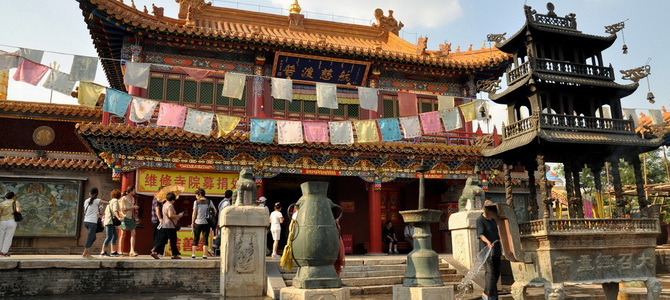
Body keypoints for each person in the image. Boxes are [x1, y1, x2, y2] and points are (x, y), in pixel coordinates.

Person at [477, 200, 502, 300]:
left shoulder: (493, 220)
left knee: (497, 272)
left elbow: (497, 233)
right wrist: (487, 242)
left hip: (496, 249)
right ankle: (489, 295)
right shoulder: (480, 220)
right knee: (490, 273)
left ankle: (487, 293)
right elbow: (480, 234)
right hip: (486, 250)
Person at [151, 192, 184, 259]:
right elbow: (170, 215)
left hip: (165, 225)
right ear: (173, 199)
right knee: (173, 240)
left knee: (163, 240)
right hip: (170, 225)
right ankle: (174, 254)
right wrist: (179, 216)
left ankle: (155, 251)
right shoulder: (170, 205)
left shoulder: (164, 204)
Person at [82, 188, 108, 259]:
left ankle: (84, 253)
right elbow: (106, 202)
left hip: (86, 221)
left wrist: (99, 207)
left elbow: (90, 208)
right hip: (92, 222)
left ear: (90, 193)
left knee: (93, 237)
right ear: (97, 194)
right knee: (90, 238)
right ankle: (88, 254)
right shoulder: (96, 200)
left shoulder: (86, 201)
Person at [191, 188, 216, 259]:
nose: (196, 196)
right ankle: (204, 255)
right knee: (205, 239)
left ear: (200, 194)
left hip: (197, 222)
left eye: (196, 194)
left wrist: (192, 222)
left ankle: (193, 254)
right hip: (206, 223)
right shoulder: (209, 202)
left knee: (196, 238)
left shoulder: (196, 202)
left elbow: (194, 213)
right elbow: (215, 210)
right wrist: (211, 217)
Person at [208, 189, 232, 257]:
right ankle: (213, 248)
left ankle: (222, 251)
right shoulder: (226, 203)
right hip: (223, 222)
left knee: (223, 236)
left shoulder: (222, 201)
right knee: (222, 235)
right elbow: (226, 213)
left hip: (220, 221)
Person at [118, 185, 139, 256]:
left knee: (133, 233)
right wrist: (133, 207)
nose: (135, 191)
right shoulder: (123, 198)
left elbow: (132, 210)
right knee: (123, 234)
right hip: (123, 217)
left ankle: (132, 250)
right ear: (131, 190)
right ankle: (120, 251)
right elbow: (123, 209)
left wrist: (135, 217)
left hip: (131, 217)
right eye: (134, 190)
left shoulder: (133, 199)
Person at [101, 189, 122, 257]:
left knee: (114, 236)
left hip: (109, 221)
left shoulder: (110, 201)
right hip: (110, 221)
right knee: (109, 236)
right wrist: (118, 217)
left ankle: (113, 251)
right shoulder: (115, 201)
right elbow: (115, 210)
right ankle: (103, 251)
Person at [0, 192, 21, 257]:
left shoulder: (2, 204)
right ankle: (4, 252)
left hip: (2, 221)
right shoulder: (15, 202)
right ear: (13, 196)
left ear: (6, 197)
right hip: (11, 221)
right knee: (8, 237)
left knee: (1, 236)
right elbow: (18, 210)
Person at [151, 186, 164, 255]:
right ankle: (155, 250)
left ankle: (157, 251)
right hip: (156, 220)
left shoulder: (161, 199)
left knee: (160, 235)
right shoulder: (157, 199)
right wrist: (160, 218)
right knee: (158, 235)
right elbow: (157, 209)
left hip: (159, 220)